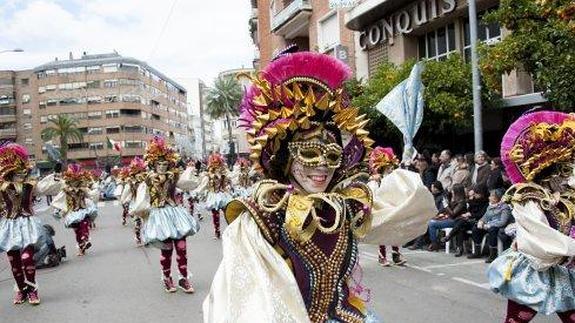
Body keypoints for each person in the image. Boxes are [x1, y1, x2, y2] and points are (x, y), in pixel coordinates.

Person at [202, 51, 437, 322]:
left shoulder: (345, 206)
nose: (322, 166)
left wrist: (405, 164)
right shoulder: (262, 218)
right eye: (310, 154)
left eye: (333, 156)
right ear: (286, 158)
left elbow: (408, 208)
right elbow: (244, 303)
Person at [487, 111, 575, 322]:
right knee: (518, 318)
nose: (564, 177)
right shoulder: (528, 198)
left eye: (566, 171)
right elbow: (537, 234)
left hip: (564, 267)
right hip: (534, 265)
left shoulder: (568, 194)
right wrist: (568, 249)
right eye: (561, 172)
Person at [129, 136, 200, 293]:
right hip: (159, 215)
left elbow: (186, 183)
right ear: (153, 164)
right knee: (167, 249)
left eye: (164, 163)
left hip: (175, 213)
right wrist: (141, 214)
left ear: (169, 163)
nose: (162, 166)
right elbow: (142, 199)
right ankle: (167, 278)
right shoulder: (147, 180)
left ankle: (183, 278)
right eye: (158, 164)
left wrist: (190, 169)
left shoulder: (173, 176)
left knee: (182, 247)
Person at [0, 143, 61, 305]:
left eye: (22, 172)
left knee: (27, 258)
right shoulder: (2, 187)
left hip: (27, 224)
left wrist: (56, 174)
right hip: (9, 226)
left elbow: (48, 187)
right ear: (9, 173)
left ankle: (33, 289)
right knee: (14, 262)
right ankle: (22, 290)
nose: (21, 175)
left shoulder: (31, 185)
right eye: (17, 173)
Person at [367, 147, 406, 267]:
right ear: (383, 168)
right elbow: (373, 195)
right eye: (388, 168)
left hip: (393, 208)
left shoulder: (394, 180)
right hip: (381, 209)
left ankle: (396, 255)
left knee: (395, 232)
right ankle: (382, 256)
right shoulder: (376, 181)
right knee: (383, 233)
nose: (390, 170)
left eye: (391, 168)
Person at [51, 164, 99, 257]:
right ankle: (81, 246)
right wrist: (57, 210)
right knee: (77, 231)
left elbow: (91, 194)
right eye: (73, 180)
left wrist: (95, 188)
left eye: (77, 181)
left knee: (84, 224)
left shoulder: (83, 189)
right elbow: (59, 200)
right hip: (72, 213)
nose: (75, 183)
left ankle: (85, 239)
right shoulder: (66, 190)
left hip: (83, 209)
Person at [441, 184, 489, 257]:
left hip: (479, 221)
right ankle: (459, 248)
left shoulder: (486, 203)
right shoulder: (473, 200)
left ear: (482, 194)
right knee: (461, 225)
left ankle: (450, 237)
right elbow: (470, 209)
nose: (475, 195)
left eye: (477, 194)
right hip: (470, 221)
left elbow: (482, 214)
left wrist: (470, 215)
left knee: (461, 222)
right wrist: (470, 204)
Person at [194, 152, 233, 239]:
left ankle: (231, 230)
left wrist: (230, 186)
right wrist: (197, 192)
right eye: (214, 164)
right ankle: (217, 231)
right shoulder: (208, 176)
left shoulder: (223, 174)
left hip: (222, 195)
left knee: (227, 213)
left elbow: (229, 181)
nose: (216, 166)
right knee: (215, 215)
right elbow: (203, 186)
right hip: (213, 196)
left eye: (217, 164)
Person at [467, 189, 511, 263]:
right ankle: (477, 252)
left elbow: (503, 222)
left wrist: (489, 225)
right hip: (488, 225)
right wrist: (481, 221)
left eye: (491, 196)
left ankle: (493, 254)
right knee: (476, 228)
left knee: (492, 230)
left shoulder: (504, 207)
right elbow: (485, 217)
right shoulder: (490, 207)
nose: (489, 198)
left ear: (497, 197)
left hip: (498, 226)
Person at [427, 183, 467, 251]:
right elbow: (449, 211)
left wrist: (446, 206)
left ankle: (434, 244)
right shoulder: (453, 198)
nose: (452, 191)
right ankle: (434, 243)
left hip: (455, 221)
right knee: (431, 221)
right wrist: (444, 214)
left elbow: (453, 214)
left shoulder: (462, 202)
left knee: (432, 224)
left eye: (453, 190)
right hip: (449, 218)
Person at [117, 157, 147, 246]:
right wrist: (123, 200)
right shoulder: (130, 183)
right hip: (135, 204)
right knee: (137, 222)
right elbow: (127, 193)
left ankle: (146, 238)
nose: (139, 174)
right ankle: (138, 238)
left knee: (146, 222)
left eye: (140, 172)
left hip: (145, 203)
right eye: (137, 172)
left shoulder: (146, 180)